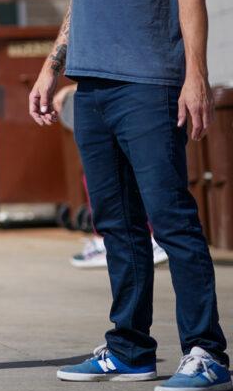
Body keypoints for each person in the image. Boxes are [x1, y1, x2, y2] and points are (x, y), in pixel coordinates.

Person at [29, 0, 229, 391]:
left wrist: (194, 77)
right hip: (91, 85)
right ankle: (131, 346)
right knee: (115, 223)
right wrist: (50, 65)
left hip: (148, 84)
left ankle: (207, 351)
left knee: (171, 220)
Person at [55, 85, 168, 269]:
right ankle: (113, 240)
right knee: (114, 171)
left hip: (122, 98)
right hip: (124, 97)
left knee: (116, 171)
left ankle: (114, 241)